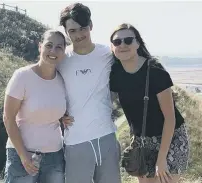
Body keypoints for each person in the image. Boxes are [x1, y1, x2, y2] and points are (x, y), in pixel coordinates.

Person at [109, 23, 189, 183]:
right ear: (112, 47)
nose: (122, 45)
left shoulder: (155, 71)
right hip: (142, 141)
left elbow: (170, 119)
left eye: (128, 40)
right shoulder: (115, 74)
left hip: (169, 138)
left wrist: (161, 160)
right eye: (117, 42)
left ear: (138, 43)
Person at [57, 3, 121, 183]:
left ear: (91, 25)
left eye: (83, 28)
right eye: (73, 30)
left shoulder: (108, 54)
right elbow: (45, 88)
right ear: (66, 31)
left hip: (107, 137)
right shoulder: (61, 59)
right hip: (76, 141)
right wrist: (57, 115)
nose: (78, 35)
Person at [3, 29, 67, 183]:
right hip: (23, 155)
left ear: (64, 51)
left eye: (59, 47)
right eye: (49, 45)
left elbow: (52, 109)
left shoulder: (62, 79)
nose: (53, 51)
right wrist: (23, 155)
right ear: (40, 47)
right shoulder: (22, 76)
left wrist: (65, 116)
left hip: (55, 156)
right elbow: (8, 118)